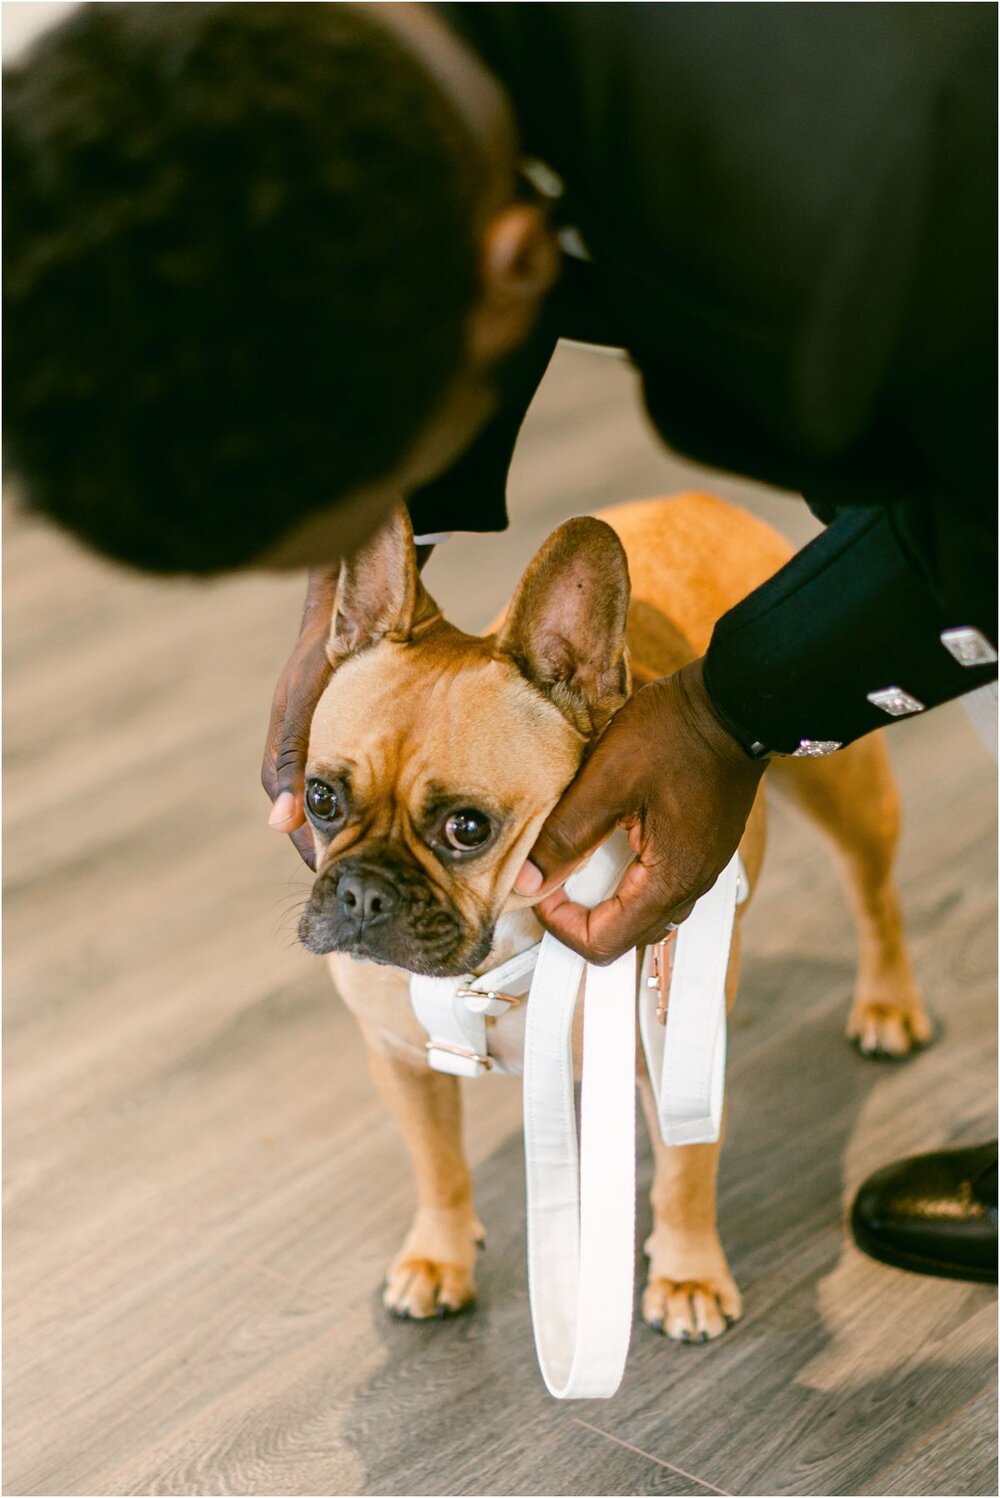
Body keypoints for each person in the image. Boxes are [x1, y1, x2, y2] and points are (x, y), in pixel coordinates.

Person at [3, 3, 996, 1282]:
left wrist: (727, 707)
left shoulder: (879, 197)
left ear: (511, 261)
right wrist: (361, 606)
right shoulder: (299, 88)